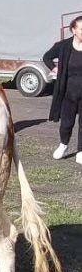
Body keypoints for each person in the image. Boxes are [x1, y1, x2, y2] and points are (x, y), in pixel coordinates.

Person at [43, 15, 82, 164]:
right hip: (68, 93)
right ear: (73, 30)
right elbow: (47, 57)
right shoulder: (64, 46)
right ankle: (63, 145)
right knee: (66, 123)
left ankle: (80, 151)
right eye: (81, 29)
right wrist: (55, 68)